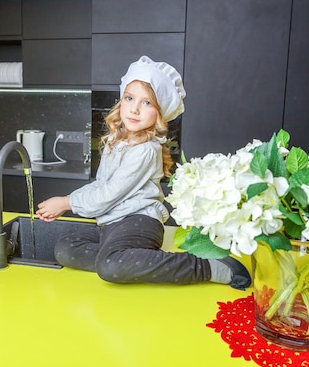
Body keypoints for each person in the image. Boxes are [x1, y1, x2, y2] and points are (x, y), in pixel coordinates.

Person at [36, 56, 251, 289]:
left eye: (147, 103)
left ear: (160, 114)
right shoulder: (116, 142)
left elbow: (109, 193)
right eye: (129, 98)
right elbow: (101, 184)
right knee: (66, 248)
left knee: (110, 266)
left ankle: (207, 267)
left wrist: (67, 202)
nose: (135, 109)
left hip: (139, 222)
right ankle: (133, 259)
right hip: (112, 224)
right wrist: (67, 201)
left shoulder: (146, 150)